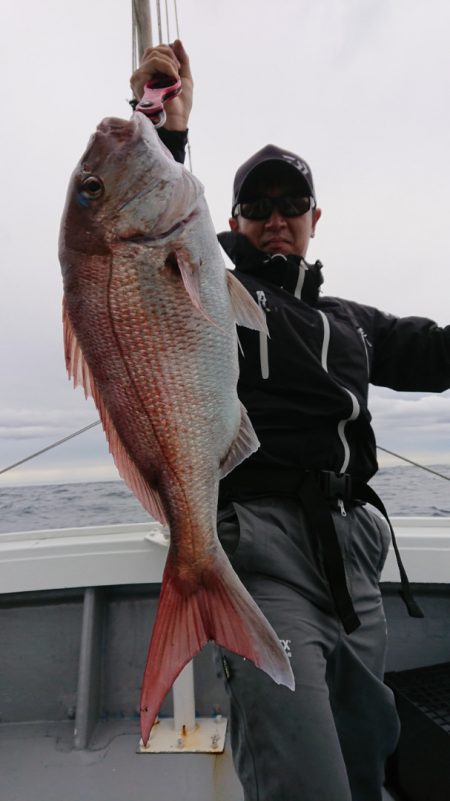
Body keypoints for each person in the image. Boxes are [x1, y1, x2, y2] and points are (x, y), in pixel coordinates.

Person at [131, 43, 450, 801]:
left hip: (354, 556)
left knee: (366, 753)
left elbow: (435, 353)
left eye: (292, 205)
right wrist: (164, 130)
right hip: (263, 552)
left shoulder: (350, 321)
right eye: (258, 206)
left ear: (314, 217)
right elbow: (153, 237)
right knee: (305, 776)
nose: (277, 219)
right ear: (234, 219)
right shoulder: (216, 291)